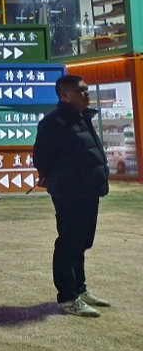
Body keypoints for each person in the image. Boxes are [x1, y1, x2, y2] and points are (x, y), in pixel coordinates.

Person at [33, 75, 111, 317]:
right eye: (81, 91)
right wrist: (60, 179)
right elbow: (42, 158)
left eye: (87, 89)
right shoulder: (54, 122)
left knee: (82, 242)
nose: (87, 94)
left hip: (89, 190)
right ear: (65, 96)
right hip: (69, 192)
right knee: (68, 243)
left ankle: (79, 289)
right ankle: (67, 297)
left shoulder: (83, 117)